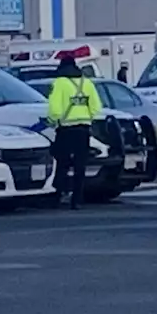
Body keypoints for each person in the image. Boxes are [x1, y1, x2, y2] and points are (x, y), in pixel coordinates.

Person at [46, 56, 102, 208]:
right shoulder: (87, 83)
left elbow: (54, 108)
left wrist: (53, 120)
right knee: (80, 165)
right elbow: (96, 107)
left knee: (62, 163)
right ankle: (77, 199)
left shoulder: (59, 83)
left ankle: (58, 195)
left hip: (65, 129)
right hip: (83, 129)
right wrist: (87, 118)